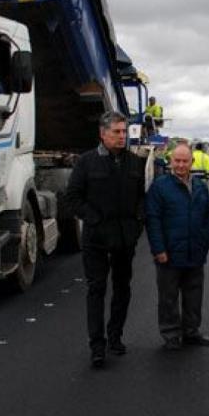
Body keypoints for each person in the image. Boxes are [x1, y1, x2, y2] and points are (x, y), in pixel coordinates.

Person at [65, 111, 148, 369]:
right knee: (96, 290)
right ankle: (97, 346)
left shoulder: (134, 163)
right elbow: (73, 198)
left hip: (125, 239)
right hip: (97, 239)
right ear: (103, 134)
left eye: (124, 132)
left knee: (123, 288)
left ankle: (115, 337)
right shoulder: (86, 163)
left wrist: (137, 225)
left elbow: (140, 199)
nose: (122, 137)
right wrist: (94, 219)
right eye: (117, 132)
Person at [145, 143, 209, 349]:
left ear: (192, 162)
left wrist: (205, 243)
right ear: (170, 161)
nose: (181, 165)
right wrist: (159, 250)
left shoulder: (201, 186)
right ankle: (171, 334)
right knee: (168, 297)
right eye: (177, 160)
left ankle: (191, 332)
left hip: (195, 252)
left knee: (194, 295)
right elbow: (153, 220)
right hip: (169, 254)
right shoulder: (160, 187)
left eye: (185, 161)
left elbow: (208, 217)